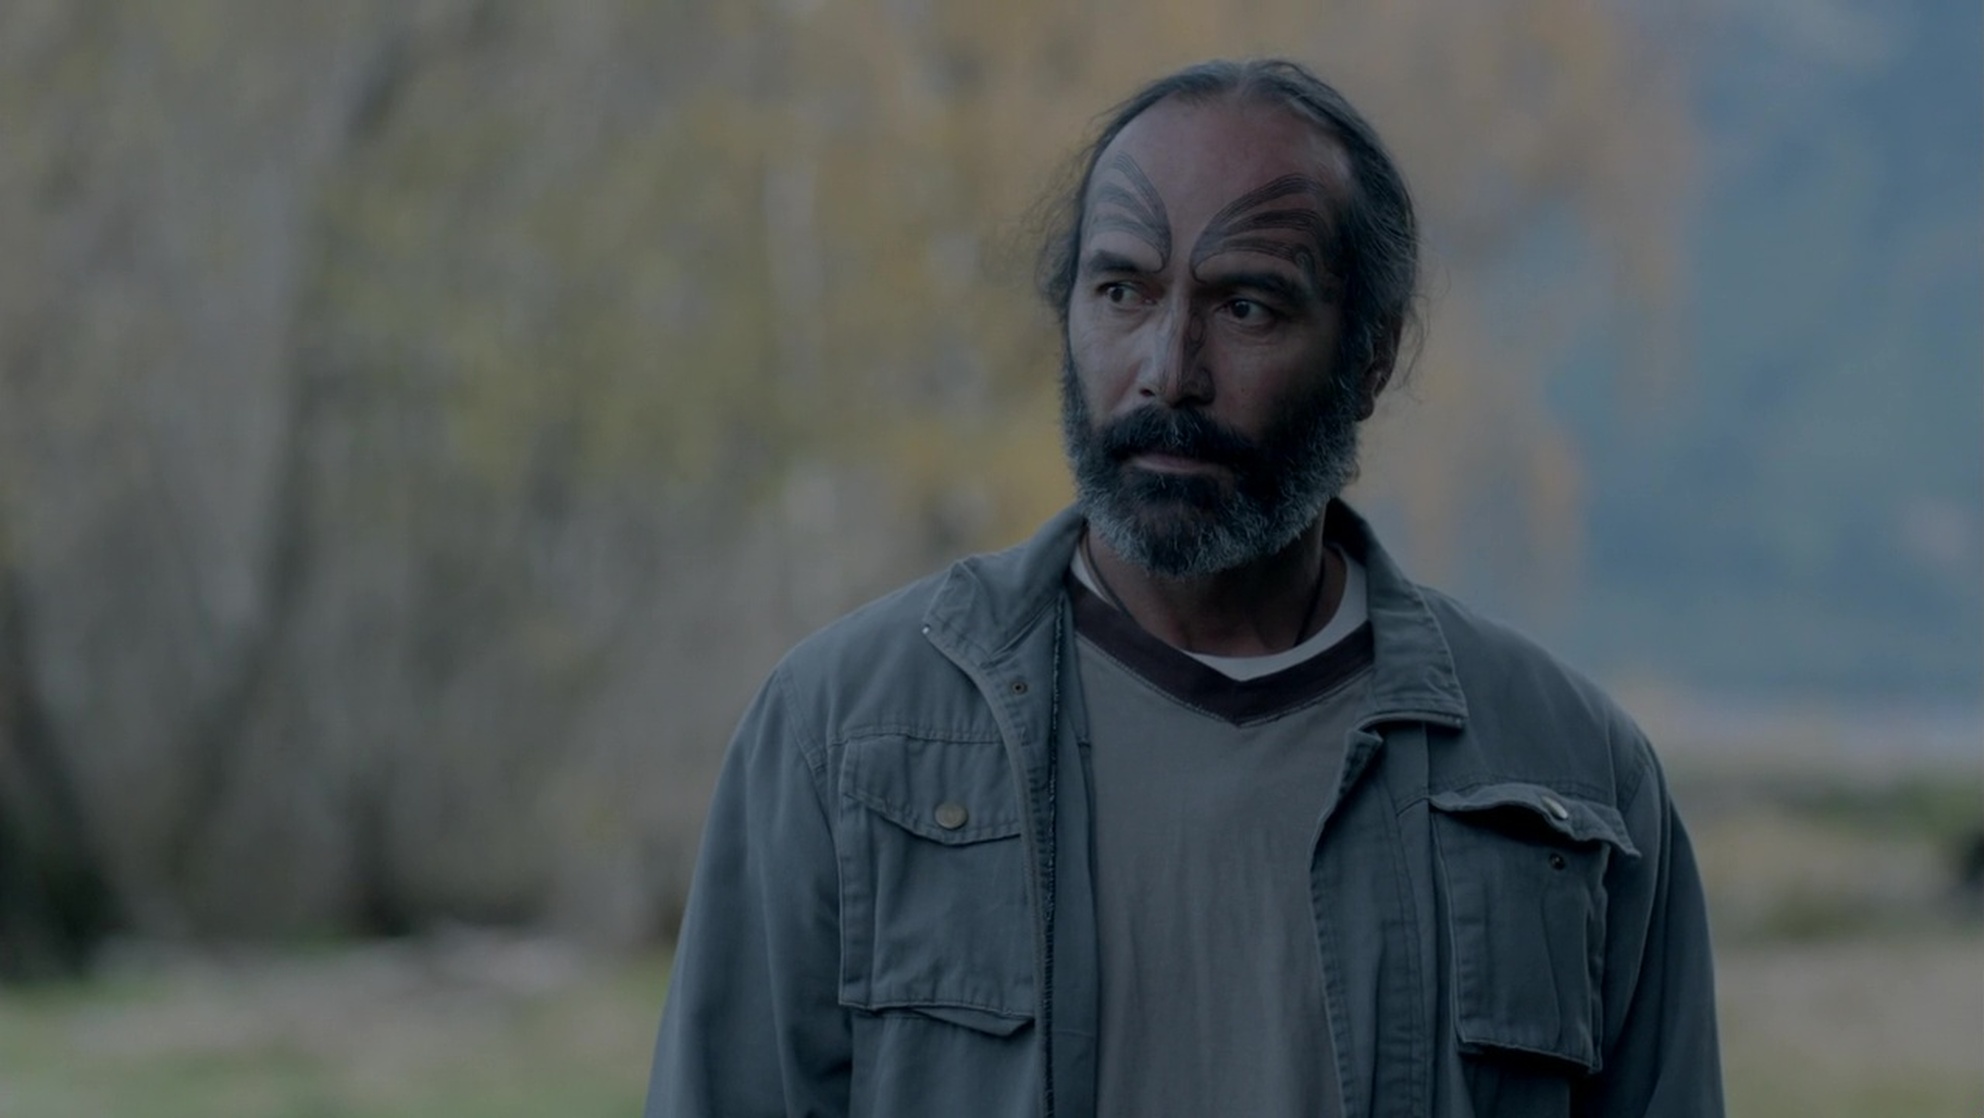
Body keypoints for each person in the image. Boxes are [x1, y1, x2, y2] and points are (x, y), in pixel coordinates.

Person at [646, 57, 1723, 1117]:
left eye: (1247, 306)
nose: (1168, 369)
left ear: (1370, 358)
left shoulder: (1572, 780)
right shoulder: (840, 735)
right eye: (1121, 291)